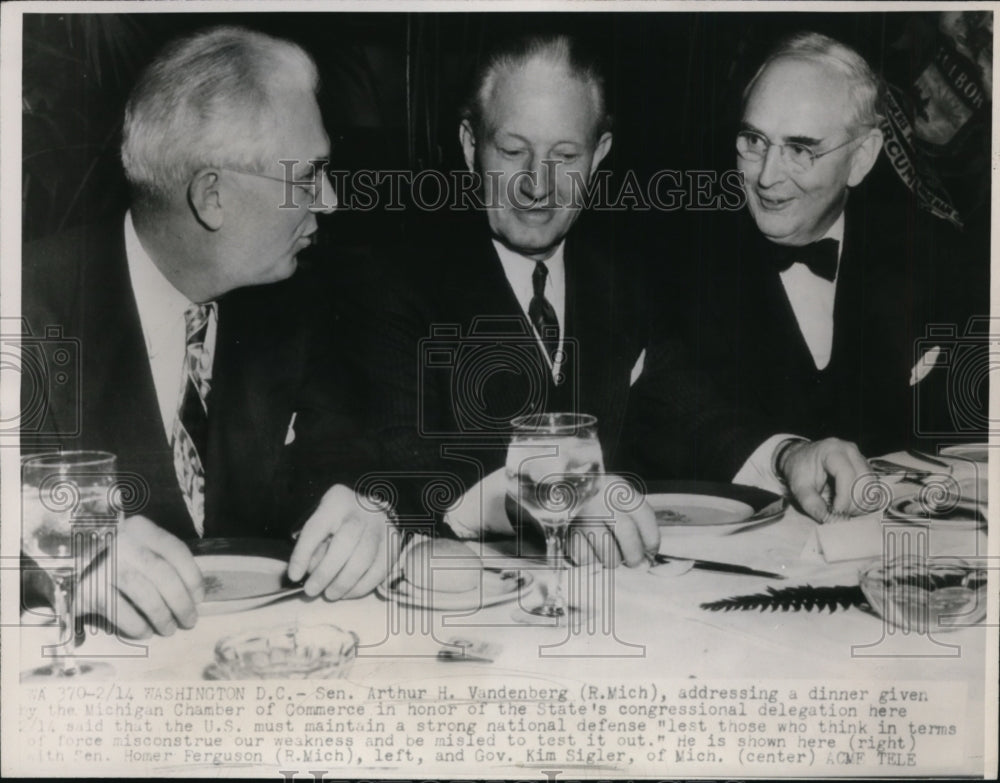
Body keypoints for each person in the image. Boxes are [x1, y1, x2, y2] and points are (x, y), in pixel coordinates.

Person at [360, 32, 871, 559]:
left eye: (565, 155)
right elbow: (406, 468)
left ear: (598, 154)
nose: (537, 184)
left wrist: (790, 456)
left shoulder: (622, 280)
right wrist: (549, 499)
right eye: (513, 151)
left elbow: (695, 415)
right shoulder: (399, 281)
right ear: (471, 145)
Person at [21, 26, 397, 638]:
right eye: (308, 176)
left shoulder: (295, 302)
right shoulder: (26, 308)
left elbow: (343, 450)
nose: (329, 200)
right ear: (212, 197)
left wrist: (365, 507)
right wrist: (61, 552)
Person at [673, 32, 986, 466]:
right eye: (754, 141)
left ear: (861, 158)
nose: (766, 176)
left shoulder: (939, 261)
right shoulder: (676, 266)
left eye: (800, 149)